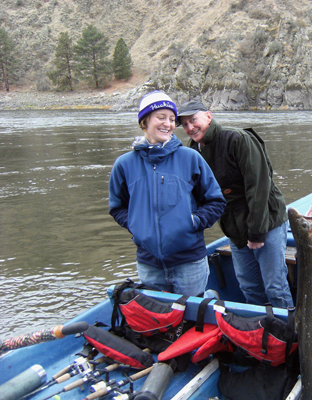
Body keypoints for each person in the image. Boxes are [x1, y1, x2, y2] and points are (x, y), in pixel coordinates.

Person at [177, 100, 294, 309]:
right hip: (234, 227)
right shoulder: (193, 151)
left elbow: (258, 187)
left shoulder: (238, 139)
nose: (189, 128)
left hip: (267, 221)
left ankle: (289, 336)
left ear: (209, 116)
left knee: (275, 287)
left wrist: (257, 233)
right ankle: (259, 331)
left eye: (193, 120)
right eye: (184, 125)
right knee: (248, 286)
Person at [108, 91, 226, 296]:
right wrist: (137, 225)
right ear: (144, 121)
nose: (168, 124)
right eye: (161, 117)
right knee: (159, 322)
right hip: (149, 265)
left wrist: (193, 221)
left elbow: (215, 201)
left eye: (172, 119)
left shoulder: (190, 158)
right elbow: (117, 207)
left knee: (191, 321)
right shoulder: (124, 164)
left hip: (189, 262)